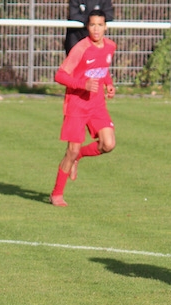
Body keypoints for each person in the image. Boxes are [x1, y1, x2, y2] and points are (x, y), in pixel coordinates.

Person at [50, 8, 116, 208]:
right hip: (77, 104)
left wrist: (108, 83)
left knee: (108, 144)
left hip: (97, 105)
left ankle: (80, 156)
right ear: (87, 26)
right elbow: (60, 75)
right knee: (71, 150)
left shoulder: (110, 46)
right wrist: (82, 85)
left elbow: (102, 68)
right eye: (92, 25)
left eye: (100, 25)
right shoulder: (80, 48)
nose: (96, 29)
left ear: (105, 27)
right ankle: (56, 194)